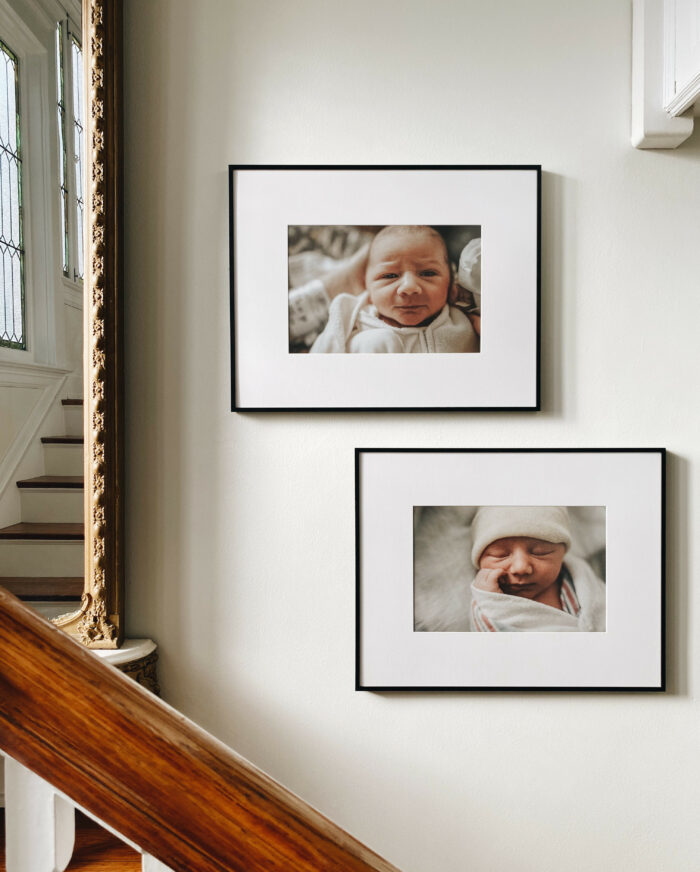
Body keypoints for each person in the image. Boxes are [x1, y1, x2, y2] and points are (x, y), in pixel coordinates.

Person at [309, 225, 479, 353]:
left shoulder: (462, 318)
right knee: (376, 341)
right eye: (390, 276)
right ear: (366, 284)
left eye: (428, 273)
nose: (409, 288)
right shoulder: (350, 317)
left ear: (450, 281)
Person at [469, 506, 606, 632]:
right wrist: (491, 603)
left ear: (562, 554)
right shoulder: (485, 605)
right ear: (479, 561)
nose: (521, 568)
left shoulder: (581, 579)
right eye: (500, 555)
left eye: (541, 552)